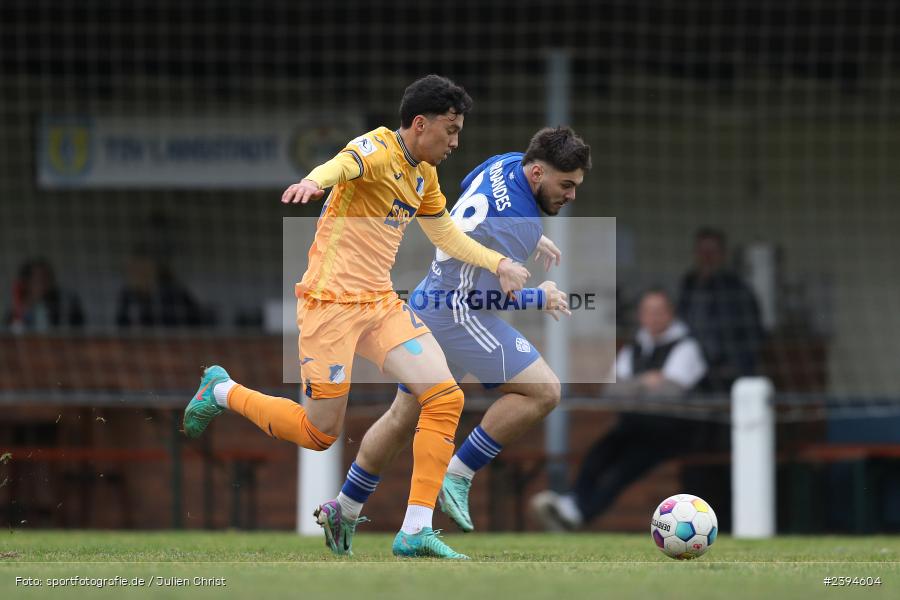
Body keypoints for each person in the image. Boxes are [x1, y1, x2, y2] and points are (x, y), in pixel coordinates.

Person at [181, 75, 530, 559]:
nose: (456, 141)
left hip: (380, 304)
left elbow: (446, 236)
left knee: (445, 397)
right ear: (420, 124)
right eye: (450, 130)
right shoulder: (379, 148)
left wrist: (500, 263)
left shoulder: (424, 176)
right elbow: (343, 164)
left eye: (459, 132)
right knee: (318, 433)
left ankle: (414, 530)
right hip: (330, 306)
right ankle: (221, 390)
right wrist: (311, 181)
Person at [316, 126, 591, 546]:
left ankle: (345, 507)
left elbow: (468, 191)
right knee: (544, 391)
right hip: (457, 313)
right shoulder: (515, 227)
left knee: (402, 416)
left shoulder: (506, 160)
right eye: (566, 185)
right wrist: (541, 296)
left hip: (429, 298)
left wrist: (535, 233)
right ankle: (458, 475)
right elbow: (488, 297)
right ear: (536, 173)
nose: (571, 195)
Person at [530, 288, 707, 530]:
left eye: (659, 311)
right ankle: (573, 505)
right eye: (648, 312)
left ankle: (580, 514)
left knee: (622, 470)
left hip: (672, 433)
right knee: (598, 455)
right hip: (634, 426)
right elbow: (612, 392)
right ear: (641, 315)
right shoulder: (634, 348)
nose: (653, 317)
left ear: (670, 314)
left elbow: (670, 393)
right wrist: (647, 382)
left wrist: (633, 386)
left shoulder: (686, 347)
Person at [677, 227, 764, 392]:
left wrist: (737, 365)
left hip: (727, 373)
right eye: (703, 251)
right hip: (691, 371)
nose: (707, 257)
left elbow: (754, 334)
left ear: (723, 254)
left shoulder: (738, 289)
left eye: (712, 251)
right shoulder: (688, 285)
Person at [5, 258, 84, 333]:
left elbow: (79, 330)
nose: (45, 284)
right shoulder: (18, 307)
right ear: (27, 283)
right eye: (39, 279)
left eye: (48, 277)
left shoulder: (66, 303)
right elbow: (12, 334)